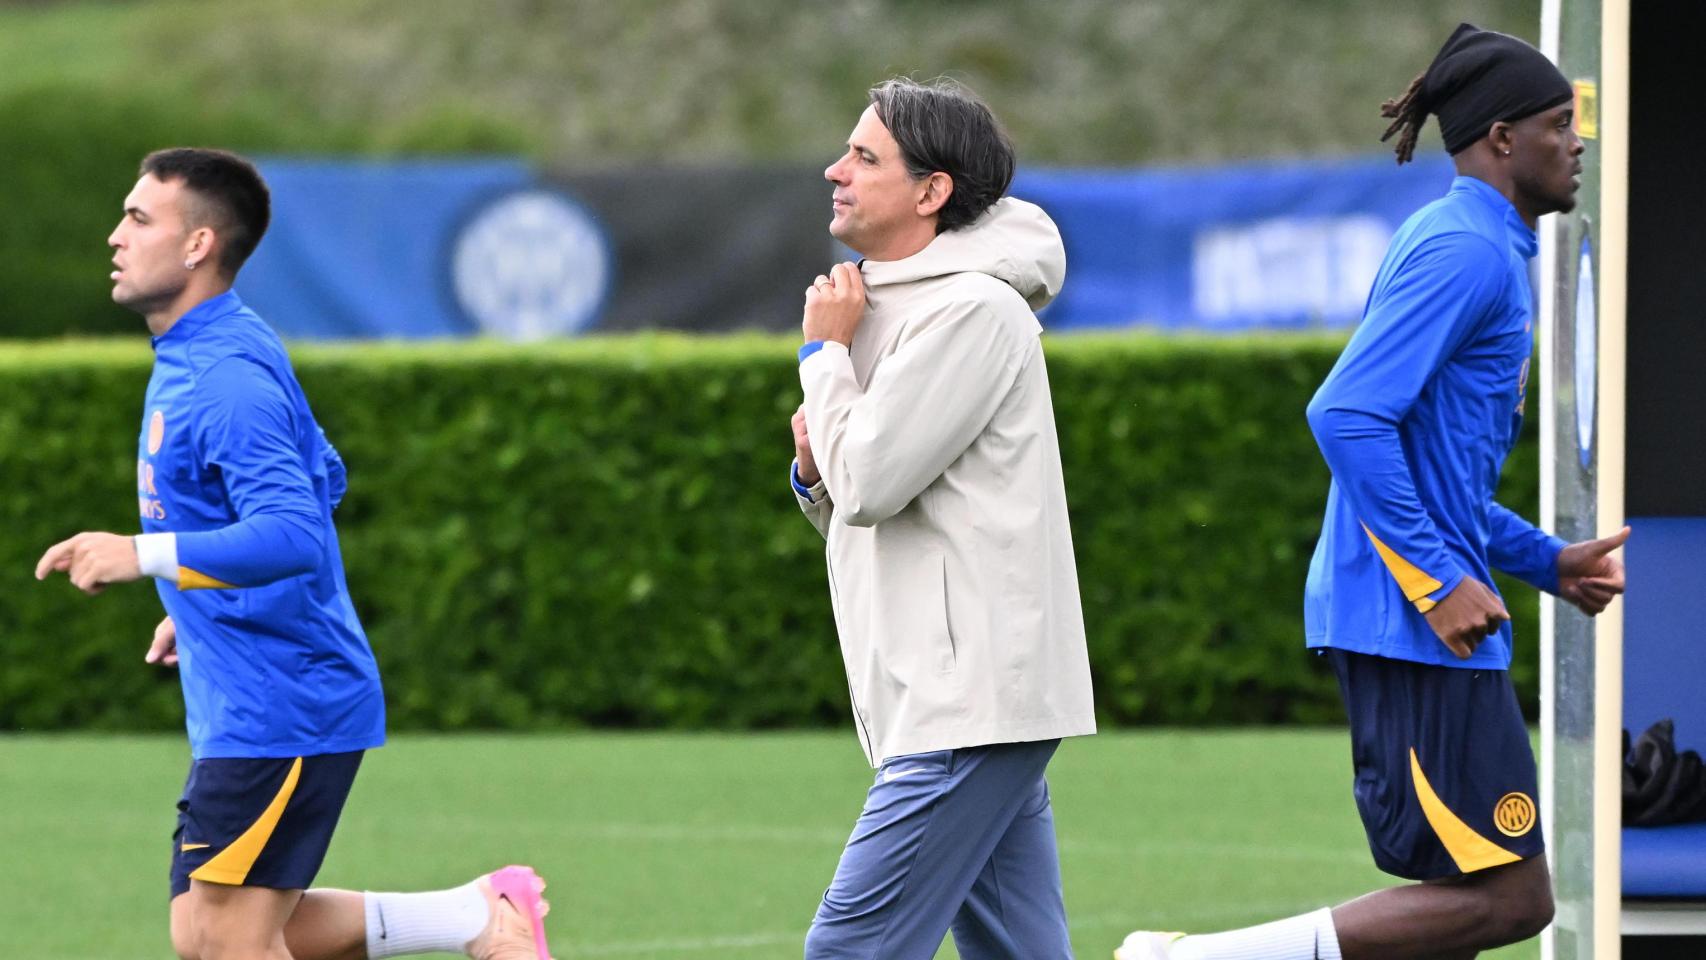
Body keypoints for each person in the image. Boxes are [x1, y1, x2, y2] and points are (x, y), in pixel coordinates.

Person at [1117, 24, 1629, 960]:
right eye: (1561, 122)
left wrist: (1545, 561)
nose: (1578, 141)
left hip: (1418, 618)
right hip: (1412, 623)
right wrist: (1436, 581)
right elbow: (1345, 415)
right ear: (1504, 138)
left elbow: (1444, 472)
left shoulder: (1480, 246)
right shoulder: (1465, 252)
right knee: (1513, 899)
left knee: (1464, 896)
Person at [34, 148, 553, 960]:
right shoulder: (204, 349)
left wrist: (146, 556)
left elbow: (293, 534)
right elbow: (324, 478)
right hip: (257, 692)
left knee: (229, 943)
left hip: (284, 704)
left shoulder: (226, 373)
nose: (114, 236)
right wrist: (205, 600)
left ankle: (481, 920)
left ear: (199, 244)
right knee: (208, 934)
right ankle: (474, 918)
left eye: (138, 219)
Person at [789, 78, 1097, 960]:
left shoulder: (974, 309)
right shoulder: (885, 303)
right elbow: (863, 505)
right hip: (957, 704)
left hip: (966, 708)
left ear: (931, 193)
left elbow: (876, 482)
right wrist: (812, 474)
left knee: (845, 951)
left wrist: (822, 356)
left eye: (863, 156)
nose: (834, 169)